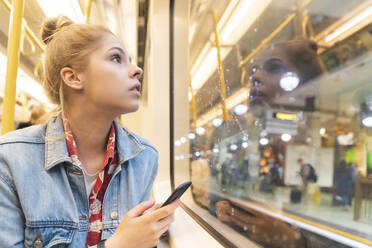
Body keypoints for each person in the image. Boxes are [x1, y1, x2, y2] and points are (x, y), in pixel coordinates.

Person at [0, 16, 179, 247]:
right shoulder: (12, 159)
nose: (137, 70)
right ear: (73, 77)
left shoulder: (144, 157)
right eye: (116, 58)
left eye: (131, 61)